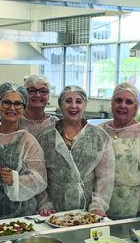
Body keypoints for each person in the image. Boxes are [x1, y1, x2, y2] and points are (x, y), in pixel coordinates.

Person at [37, 86, 115, 216]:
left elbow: (105, 177)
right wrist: (44, 203)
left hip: (88, 209)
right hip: (53, 210)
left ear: (84, 105)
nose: (73, 106)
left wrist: (98, 205)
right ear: (61, 104)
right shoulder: (46, 136)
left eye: (78, 101)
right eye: (68, 101)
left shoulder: (99, 136)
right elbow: (39, 174)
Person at [0, 82, 47, 221]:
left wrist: (15, 179)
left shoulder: (27, 141)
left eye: (18, 104)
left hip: (22, 215)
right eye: (6, 103)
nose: (12, 108)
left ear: (23, 108)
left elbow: (40, 180)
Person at [99, 82, 140, 219]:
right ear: (112, 103)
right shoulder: (100, 131)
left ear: (136, 107)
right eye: (118, 100)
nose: (123, 105)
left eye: (129, 102)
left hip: (132, 210)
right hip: (99, 207)